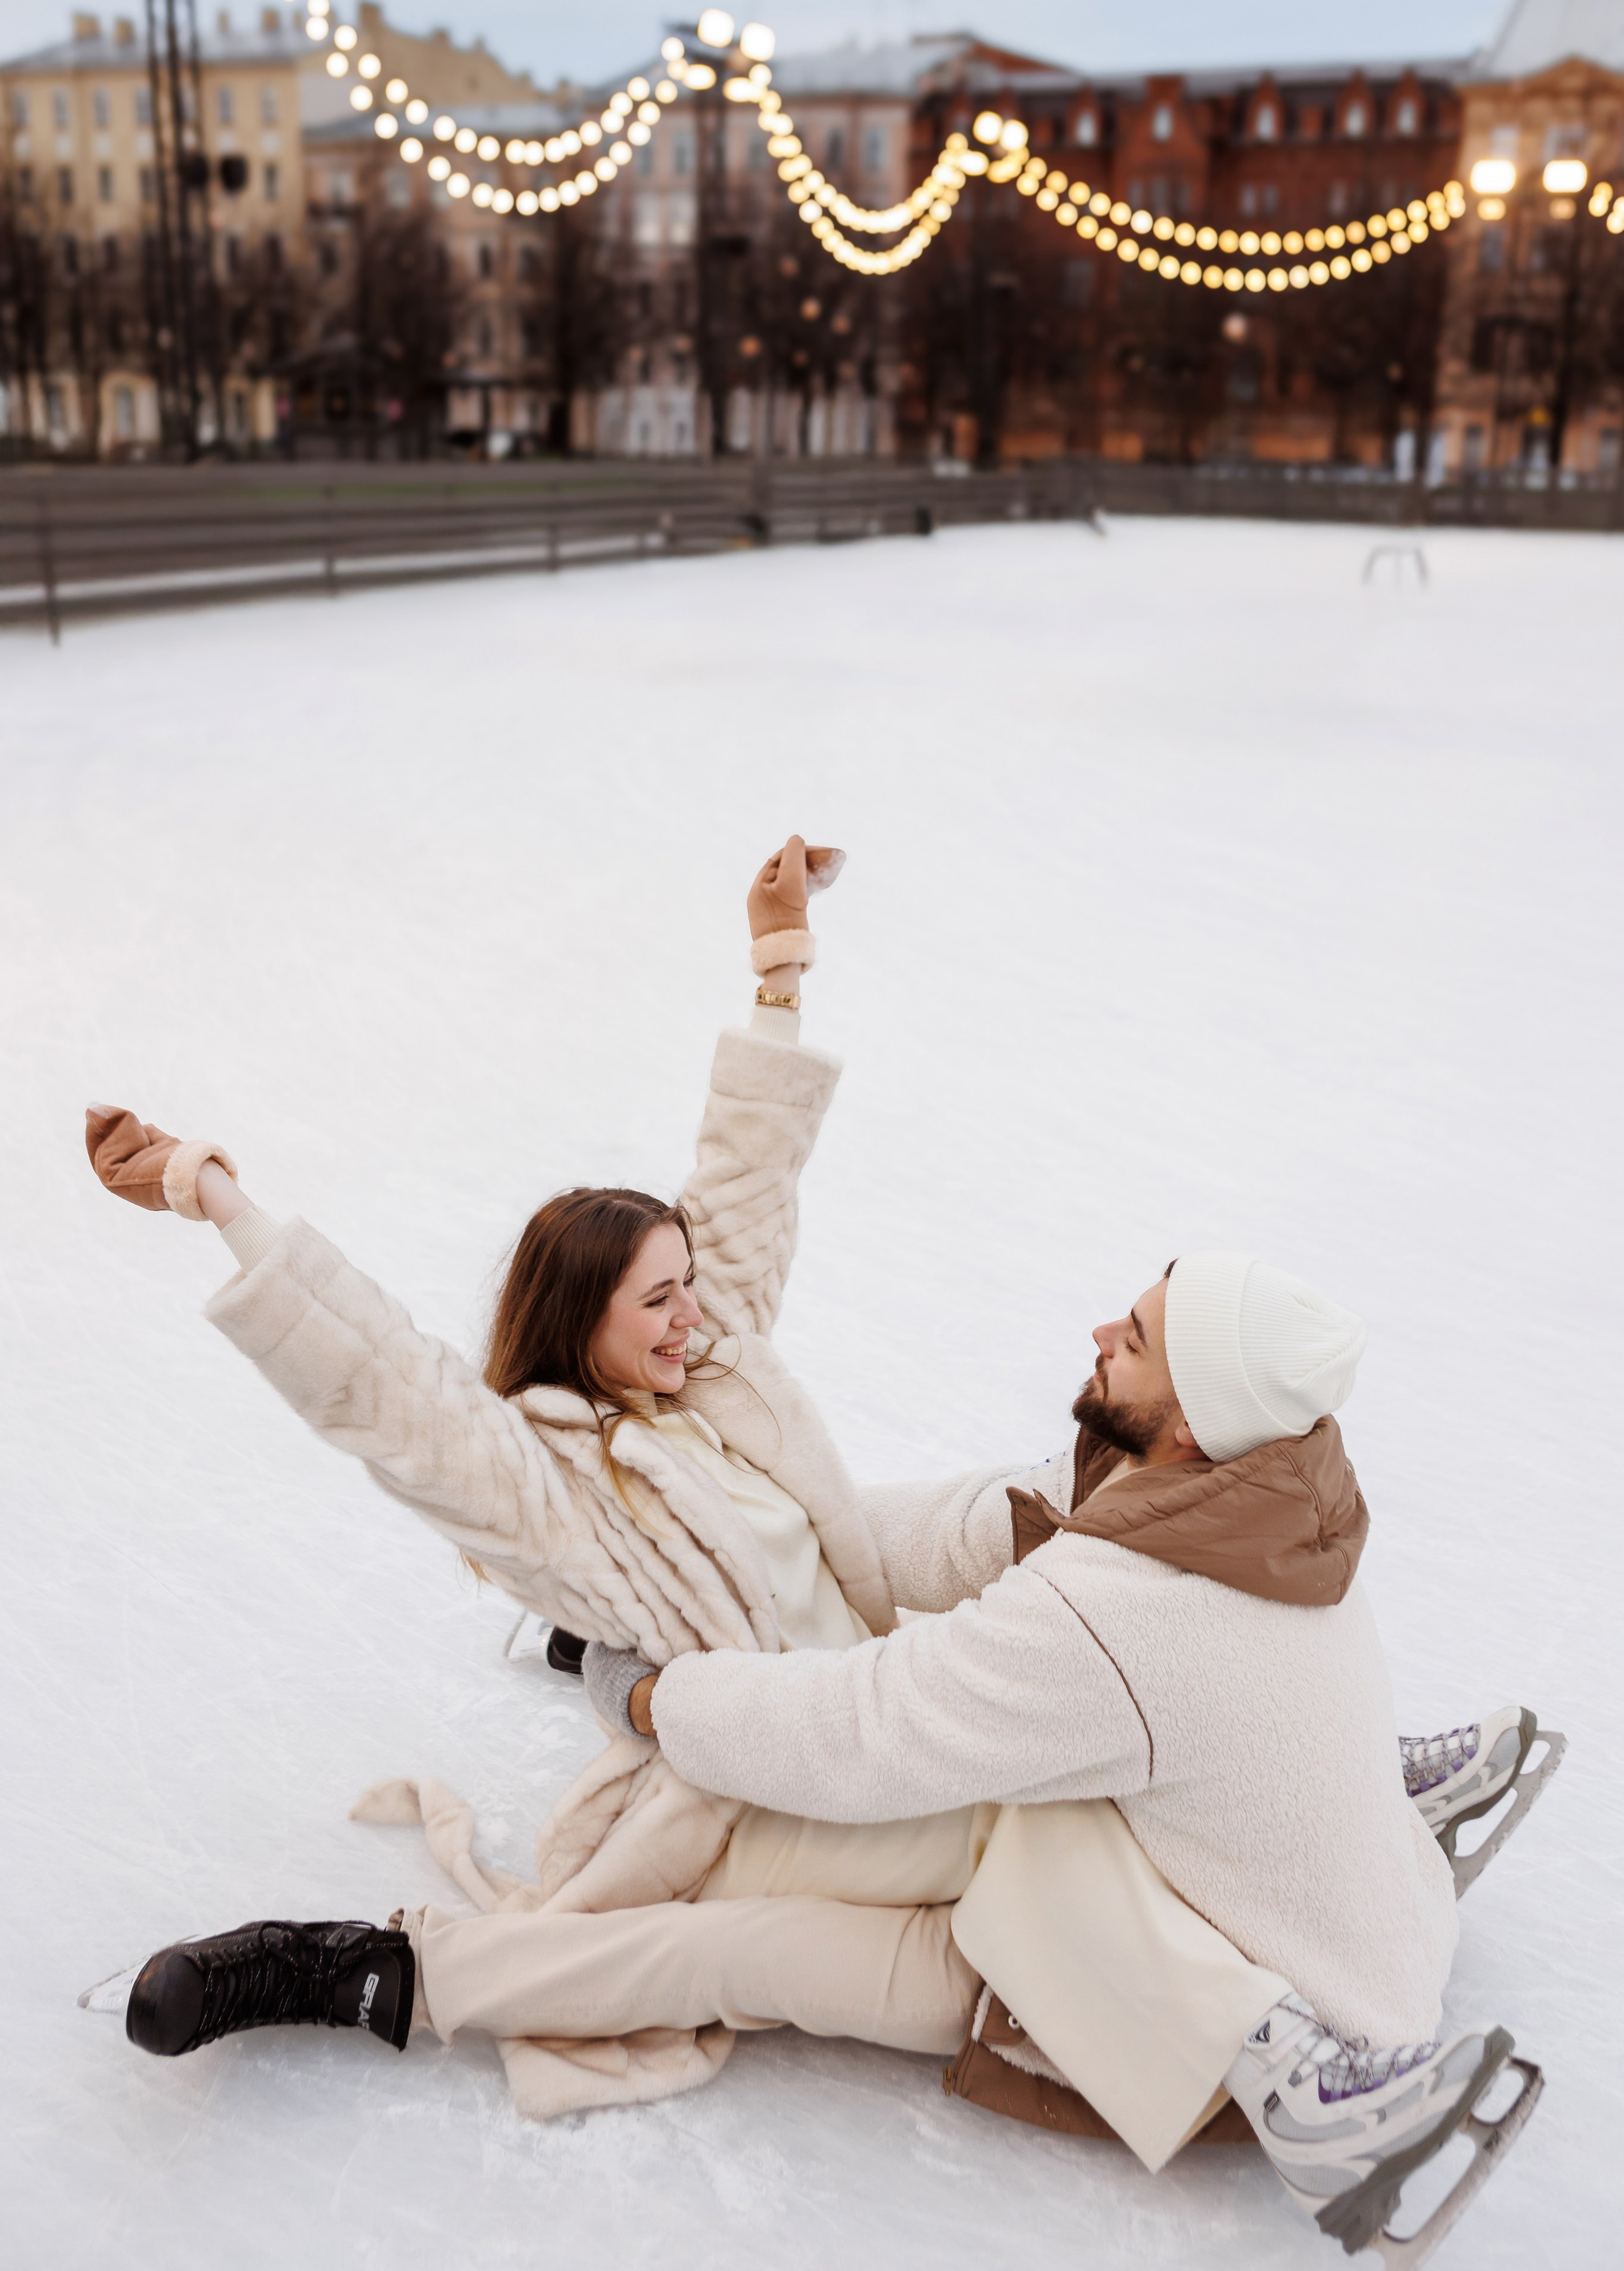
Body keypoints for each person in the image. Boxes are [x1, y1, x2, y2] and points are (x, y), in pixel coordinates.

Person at [84, 842, 1552, 2254]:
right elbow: (392, 1396)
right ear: (579, 1324)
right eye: (653, 1302)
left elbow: (742, 1215)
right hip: (773, 1766)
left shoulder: (712, 1375)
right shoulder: (542, 1479)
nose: (689, 1315)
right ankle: (352, 1963)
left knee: (1041, 1780)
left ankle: (1333, 1819)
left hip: (853, 1726)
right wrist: (226, 1207)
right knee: (991, 1823)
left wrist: (777, 970)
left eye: (686, 1291)